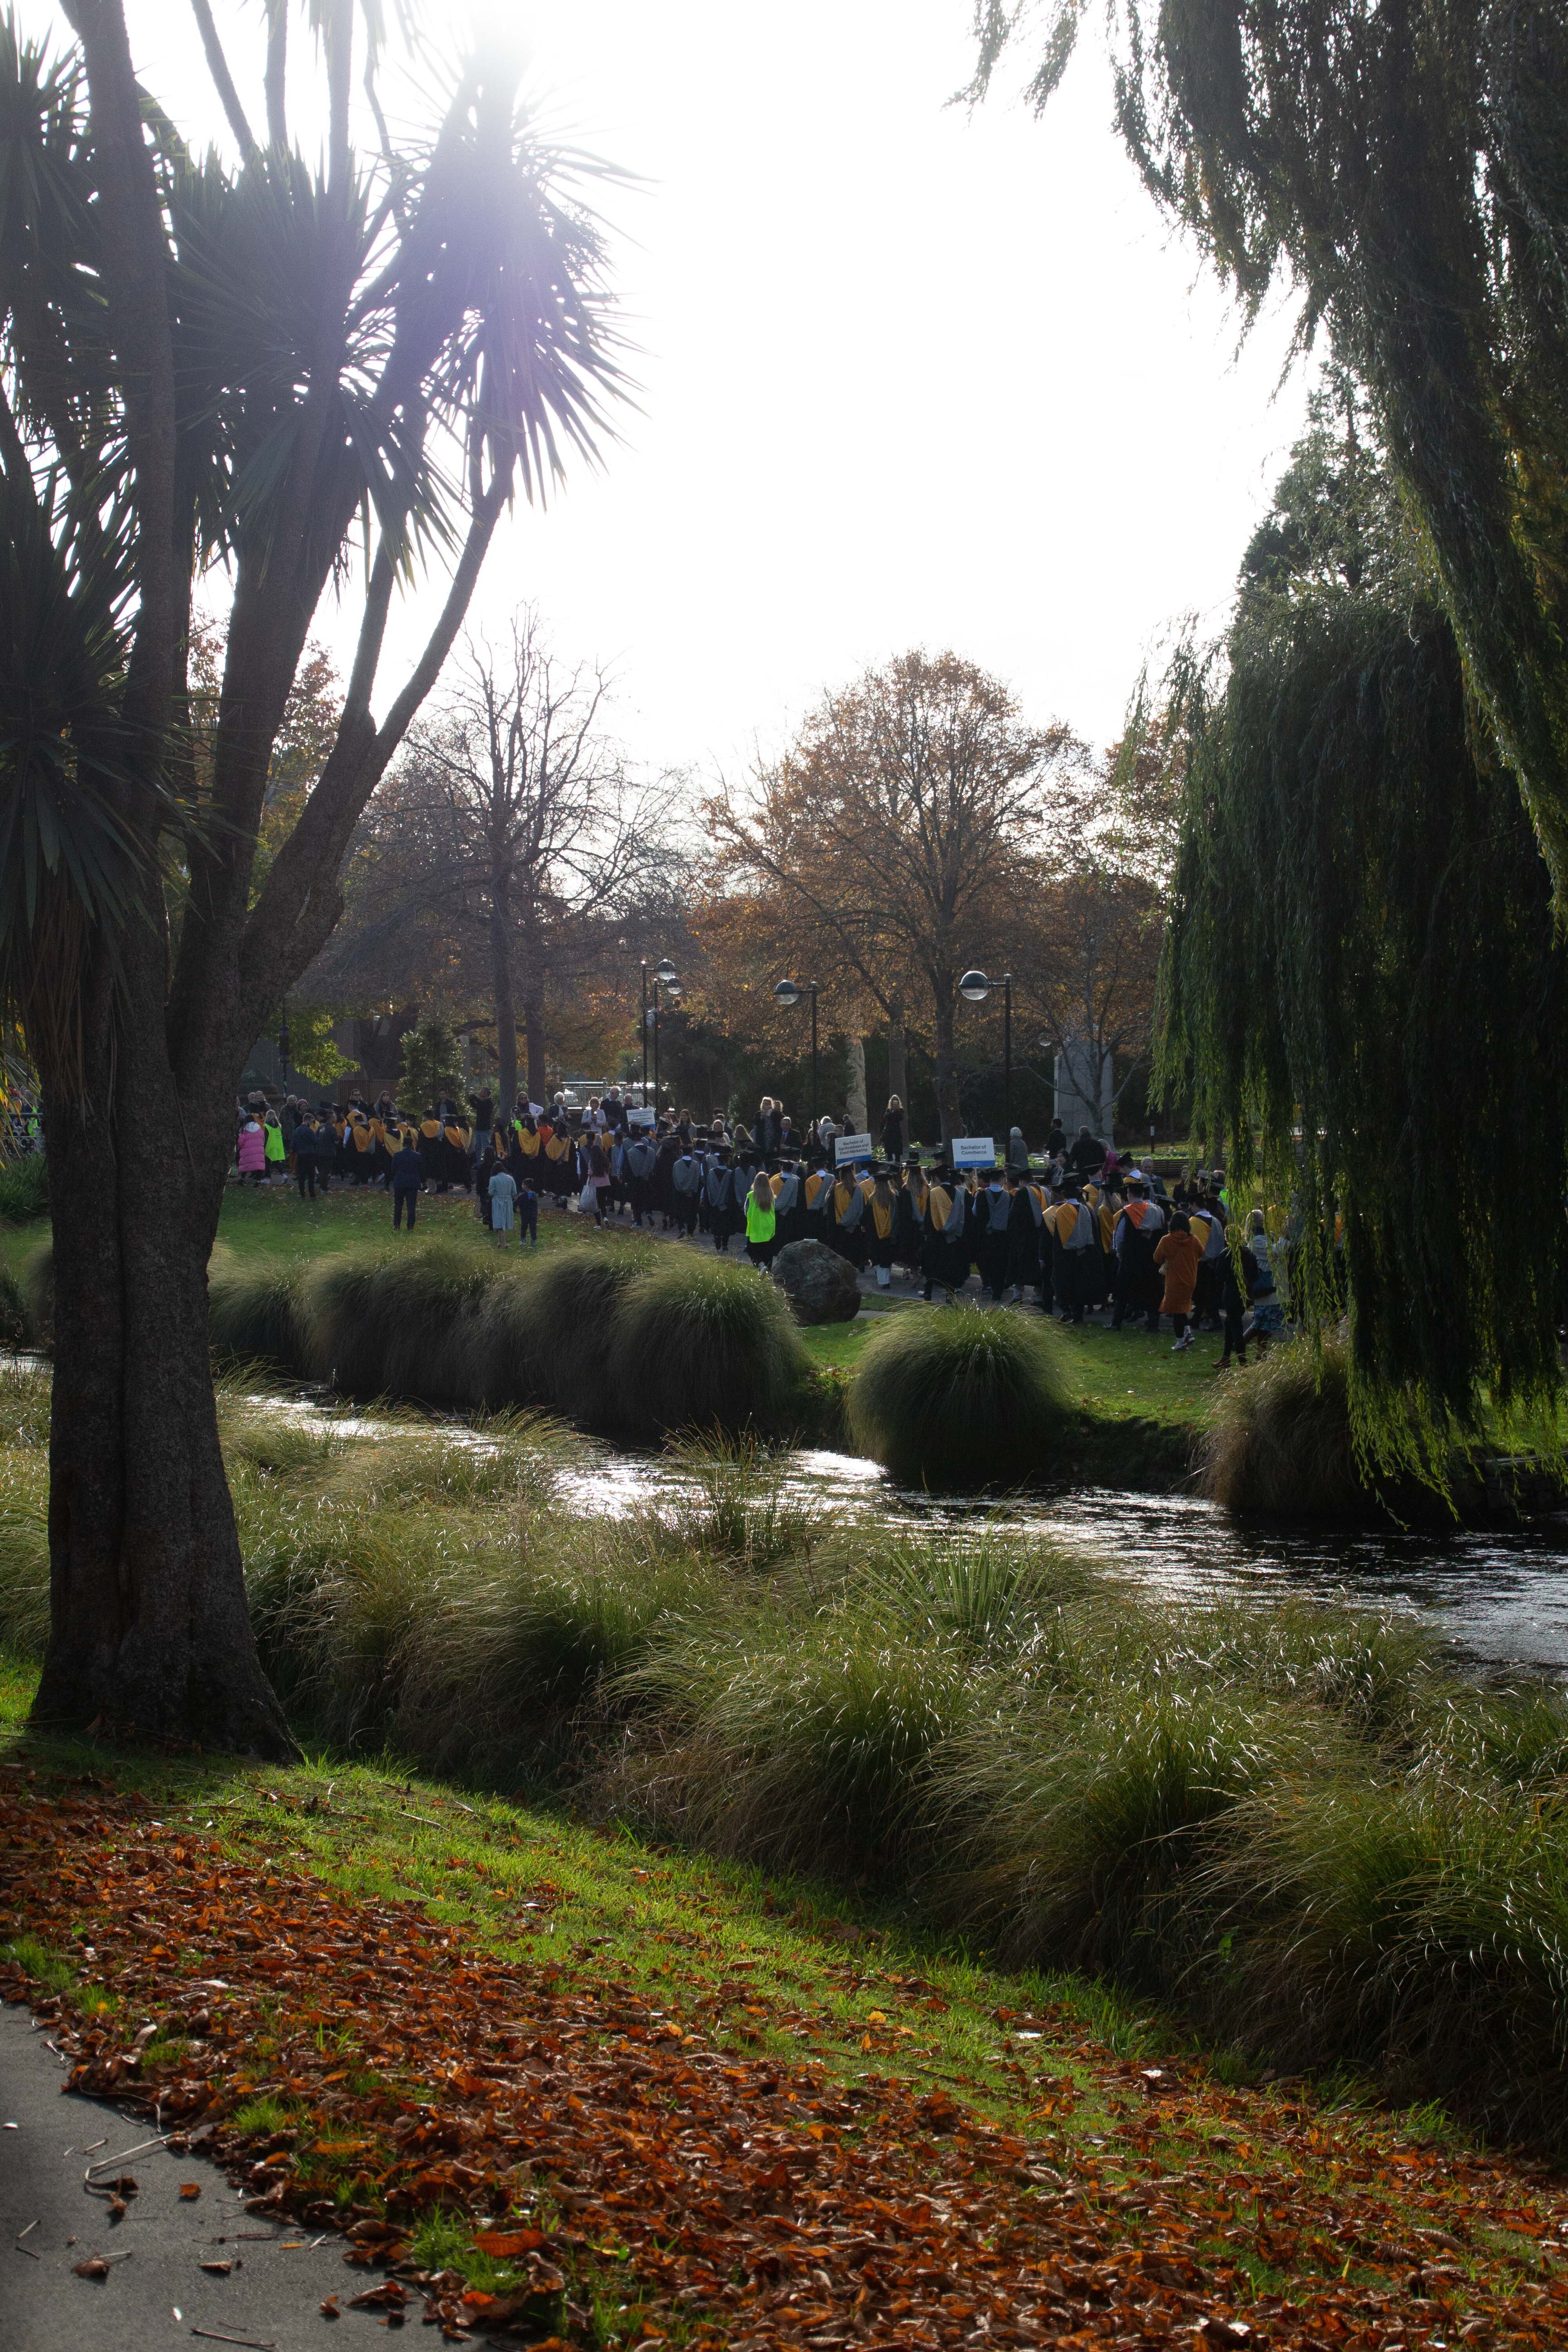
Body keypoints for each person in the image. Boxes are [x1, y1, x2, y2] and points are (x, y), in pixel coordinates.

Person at [1154, 1211, 1204, 1350]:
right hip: (1190, 1279)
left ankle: (1180, 1341)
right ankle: (1188, 1333)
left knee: (1175, 1310)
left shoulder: (1167, 1240)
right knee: (1183, 1308)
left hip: (1174, 1280)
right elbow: (1202, 1253)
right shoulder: (1194, 1240)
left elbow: (1157, 1258)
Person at [744, 1169, 778, 1269]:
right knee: (768, 1251)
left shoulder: (751, 1196)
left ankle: (761, 1265)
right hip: (768, 1225)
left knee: (752, 1249)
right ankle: (768, 1270)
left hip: (755, 1226)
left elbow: (746, 1211)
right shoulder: (771, 1197)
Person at [390, 1131, 423, 1229]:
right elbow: (421, 1171)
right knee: (411, 1206)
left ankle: (397, 1225)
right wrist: (423, 1182)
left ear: (403, 1144)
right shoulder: (417, 1156)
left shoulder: (397, 1155)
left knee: (398, 1206)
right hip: (413, 1183)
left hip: (400, 1182)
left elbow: (393, 1170)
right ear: (412, 1144)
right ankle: (410, 1226)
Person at [488, 1159, 518, 1247]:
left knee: (499, 1221)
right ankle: (501, 1242)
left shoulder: (493, 1179)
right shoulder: (511, 1179)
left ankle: (503, 1243)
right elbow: (514, 1193)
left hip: (497, 1202)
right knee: (505, 1220)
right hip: (508, 1202)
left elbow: (491, 1193)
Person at [236, 1114, 266, 1183]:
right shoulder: (259, 1128)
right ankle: (258, 1180)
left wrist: (241, 1146)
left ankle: (242, 1179)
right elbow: (263, 1138)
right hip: (259, 1150)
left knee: (245, 1164)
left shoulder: (244, 1129)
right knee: (258, 1165)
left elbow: (241, 1141)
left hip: (247, 1150)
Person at [880, 1096, 905, 1160]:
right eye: (893, 1102)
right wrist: (893, 1111)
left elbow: (901, 1118)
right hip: (889, 1132)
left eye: (896, 1102)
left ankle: (897, 1166)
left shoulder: (901, 1110)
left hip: (897, 1132)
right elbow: (886, 1117)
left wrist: (897, 1110)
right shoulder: (888, 1110)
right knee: (889, 1152)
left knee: (897, 1153)